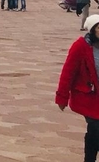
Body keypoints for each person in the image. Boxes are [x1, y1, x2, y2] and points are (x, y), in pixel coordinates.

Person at [56, 14, 99, 161]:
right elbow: (68, 72)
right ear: (92, 30)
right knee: (95, 128)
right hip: (90, 98)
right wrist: (62, 97)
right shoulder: (81, 46)